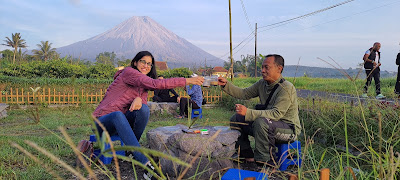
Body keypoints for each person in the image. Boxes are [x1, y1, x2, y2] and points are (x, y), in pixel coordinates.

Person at [92, 51, 204, 180]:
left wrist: (139, 99)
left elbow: (142, 106)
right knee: (117, 114)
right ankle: (145, 164)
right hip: (103, 121)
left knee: (144, 109)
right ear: (135, 62)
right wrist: (187, 80)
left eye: (149, 64)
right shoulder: (128, 72)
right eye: (143, 62)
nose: (146, 66)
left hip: (121, 123)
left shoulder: (143, 87)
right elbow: (156, 84)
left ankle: (131, 152)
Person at [217, 54, 301, 171]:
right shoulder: (262, 84)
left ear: (279, 68)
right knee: (236, 119)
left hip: (288, 129)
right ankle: (247, 156)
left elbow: (276, 114)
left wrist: (248, 112)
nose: (262, 70)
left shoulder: (286, 88)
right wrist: (226, 84)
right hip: (267, 125)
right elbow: (244, 93)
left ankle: (266, 163)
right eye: (262, 67)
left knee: (261, 122)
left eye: (267, 67)